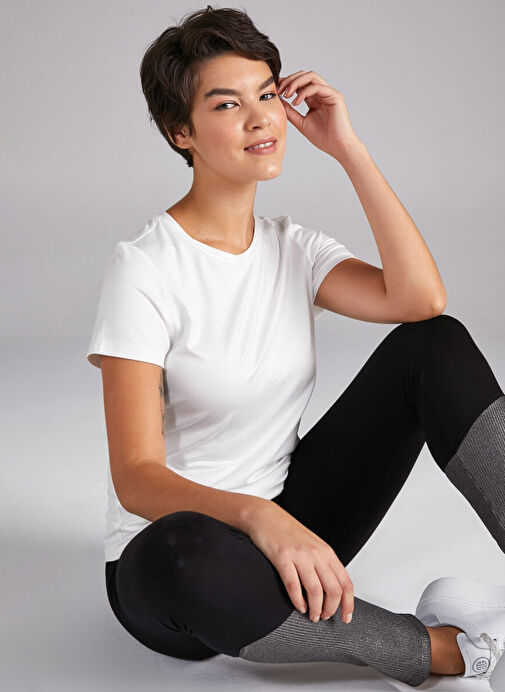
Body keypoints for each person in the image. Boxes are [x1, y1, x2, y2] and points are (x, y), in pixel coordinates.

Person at [86, 5, 505, 687]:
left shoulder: (293, 248)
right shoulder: (144, 268)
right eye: (228, 104)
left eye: (266, 94)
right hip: (183, 554)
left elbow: (421, 302)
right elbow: (136, 478)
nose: (261, 119)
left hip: (292, 525)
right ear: (180, 132)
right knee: (181, 557)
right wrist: (257, 519)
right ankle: (442, 651)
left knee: (434, 345)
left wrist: (348, 149)